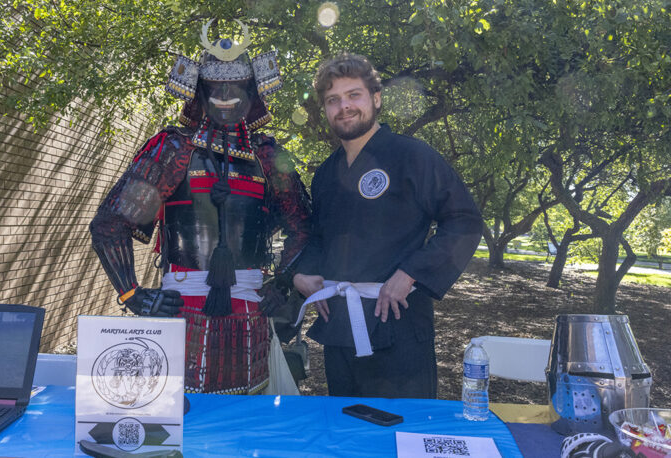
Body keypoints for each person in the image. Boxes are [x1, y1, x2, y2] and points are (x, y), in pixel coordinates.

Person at [90, 20, 311, 395]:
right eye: (214, 87)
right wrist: (132, 294)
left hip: (252, 313)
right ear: (198, 92)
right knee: (179, 414)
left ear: (253, 91)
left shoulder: (268, 156)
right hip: (181, 310)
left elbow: (303, 226)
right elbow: (110, 223)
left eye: (237, 87)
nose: (225, 95)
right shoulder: (173, 149)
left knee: (248, 417)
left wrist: (284, 284)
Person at [293, 53, 483, 398]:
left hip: (399, 321)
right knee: (346, 436)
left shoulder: (412, 156)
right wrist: (301, 274)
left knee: (402, 437)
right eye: (333, 100)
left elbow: (464, 221)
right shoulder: (325, 174)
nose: (344, 107)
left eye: (354, 95)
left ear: (376, 99)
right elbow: (319, 239)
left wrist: (411, 273)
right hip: (340, 327)